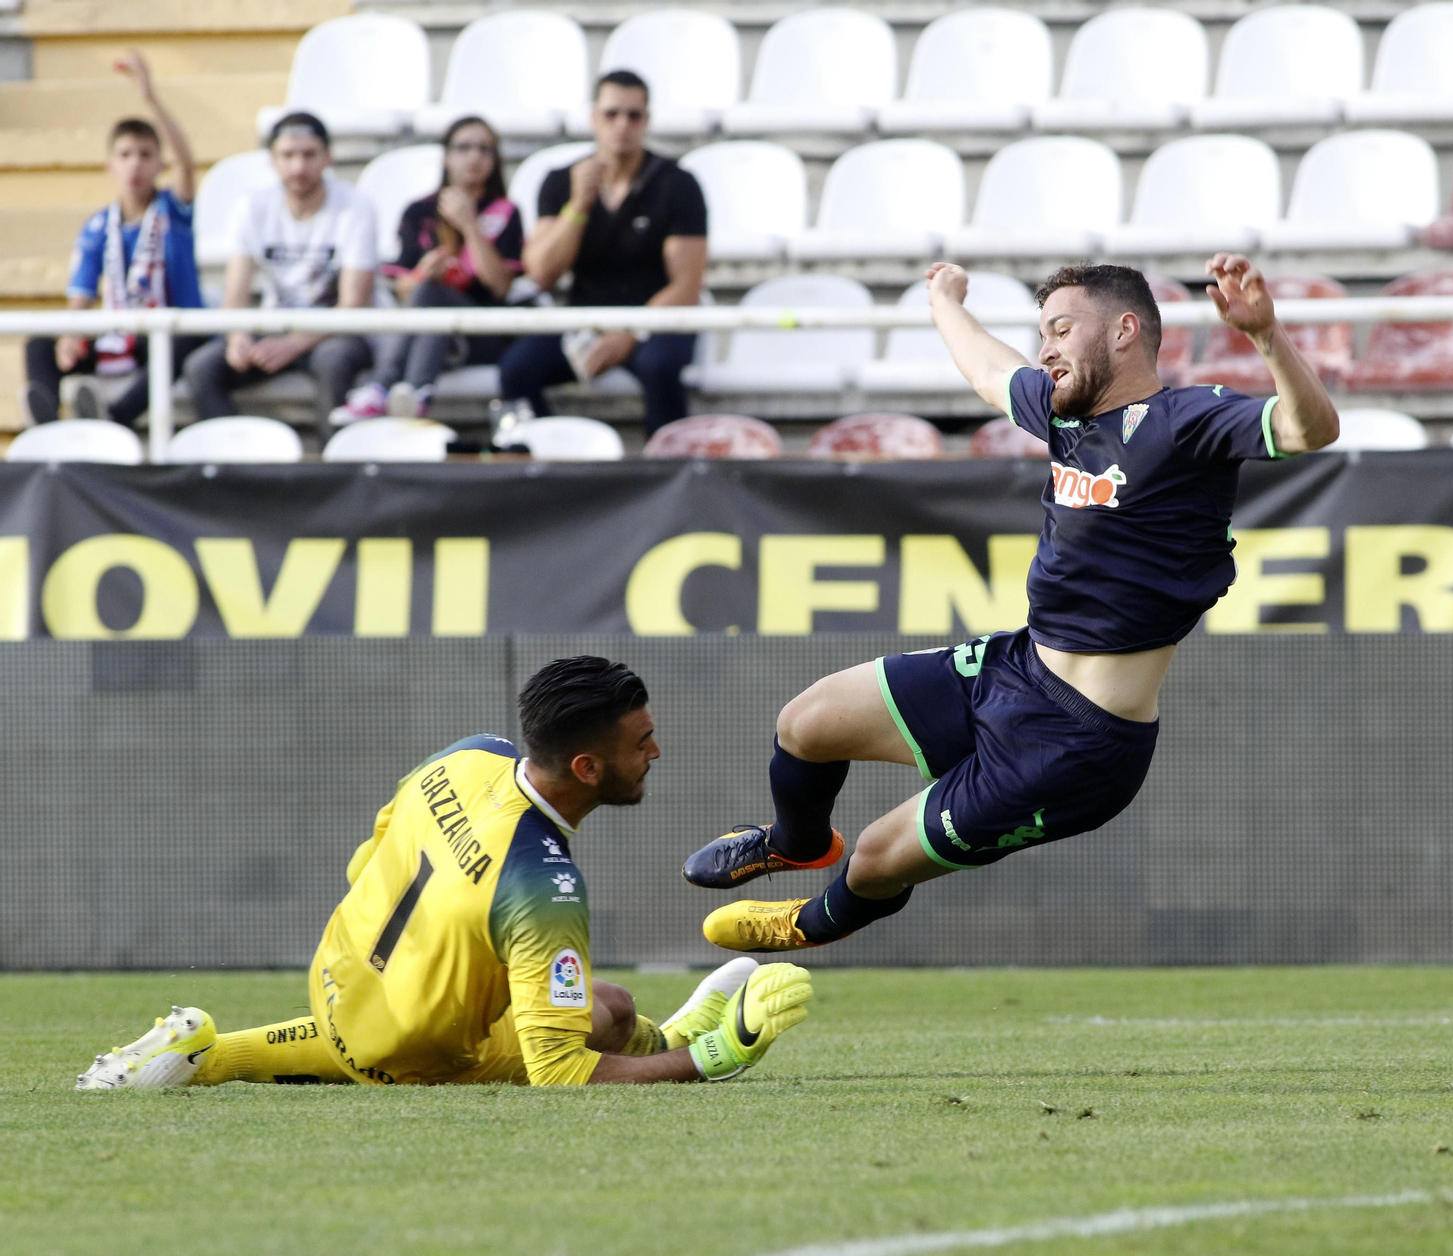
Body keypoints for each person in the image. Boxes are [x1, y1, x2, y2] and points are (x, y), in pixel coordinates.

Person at [685, 256, 1341, 952]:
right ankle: (794, 842)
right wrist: (944, 301)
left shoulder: (1185, 420)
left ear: (1124, 331)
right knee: (807, 721)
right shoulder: (1066, 414)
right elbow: (985, 370)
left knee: (876, 860)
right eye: (1042, 333)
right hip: (1014, 668)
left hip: (1077, 744)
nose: (1047, 348)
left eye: (1062, 329)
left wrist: (1267, 338)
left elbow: (1311, 430)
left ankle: (806, 925)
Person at [77, 656, 812, 1090]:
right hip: (402, 1052)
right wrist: (718, 1060)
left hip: (337, 978)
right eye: (643, 742)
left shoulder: (468, 753)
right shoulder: (544, 885)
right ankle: (689, 1039)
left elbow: (366, 858)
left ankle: (207, 1053)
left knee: (598, 1000)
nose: (656, 752)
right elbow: (560, 1075)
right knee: (605, 1015)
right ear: (587, 768)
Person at [498, 70, 707, 436]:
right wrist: (579, 204)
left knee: (660, 366)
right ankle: (547, 460)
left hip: (656, 319)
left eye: (634, 115)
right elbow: (541, 273)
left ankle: (669, 472)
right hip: (585, 318)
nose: (622, 125)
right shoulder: (563, 180)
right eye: (612, 114)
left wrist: (629, 332)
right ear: (594, 117)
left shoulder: (678, 183)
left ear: (647, 120)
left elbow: (687, 286)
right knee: (517, 369)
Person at [22, 50, 204, 429]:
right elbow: (81, 297)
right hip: (121, 332)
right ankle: (48, 423)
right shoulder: (98, 227)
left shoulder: (174, 212)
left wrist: (149, 96)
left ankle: (112, 419)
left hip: (174, 329)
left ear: (159, 164)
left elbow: (187, 164)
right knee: (42, 342)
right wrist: (70, 335)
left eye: (145, 154)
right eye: (125, 154)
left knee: (176, 345)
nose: (135, 164)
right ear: (111, 165)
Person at [183, 112, 377, 428]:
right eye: (288, 155)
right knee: (201, 368)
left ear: (328, 158)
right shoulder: (252, 207)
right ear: (272, 161)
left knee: (335, 361)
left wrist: (292, 343)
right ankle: (235, 465)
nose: (298, 167)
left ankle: (335, 469)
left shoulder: (355, 206)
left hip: (336, 332)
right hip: (276, 326)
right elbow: (235, 294)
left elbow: (353, 304)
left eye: (309, 154)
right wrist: (238, 337)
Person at [336, 116, 524, 422]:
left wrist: (470, 226)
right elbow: (403, 289)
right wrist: (424, 273)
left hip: (482, 332)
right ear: (446, 156)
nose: (474, 156)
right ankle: (416, 392)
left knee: (431, 297)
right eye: (464, 148)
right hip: (435, 334)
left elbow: (501, 287)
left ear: (495, 159)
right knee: (429, 300)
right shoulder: (418, 211)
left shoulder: (507, 211)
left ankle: (383, 386)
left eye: (484, 149)